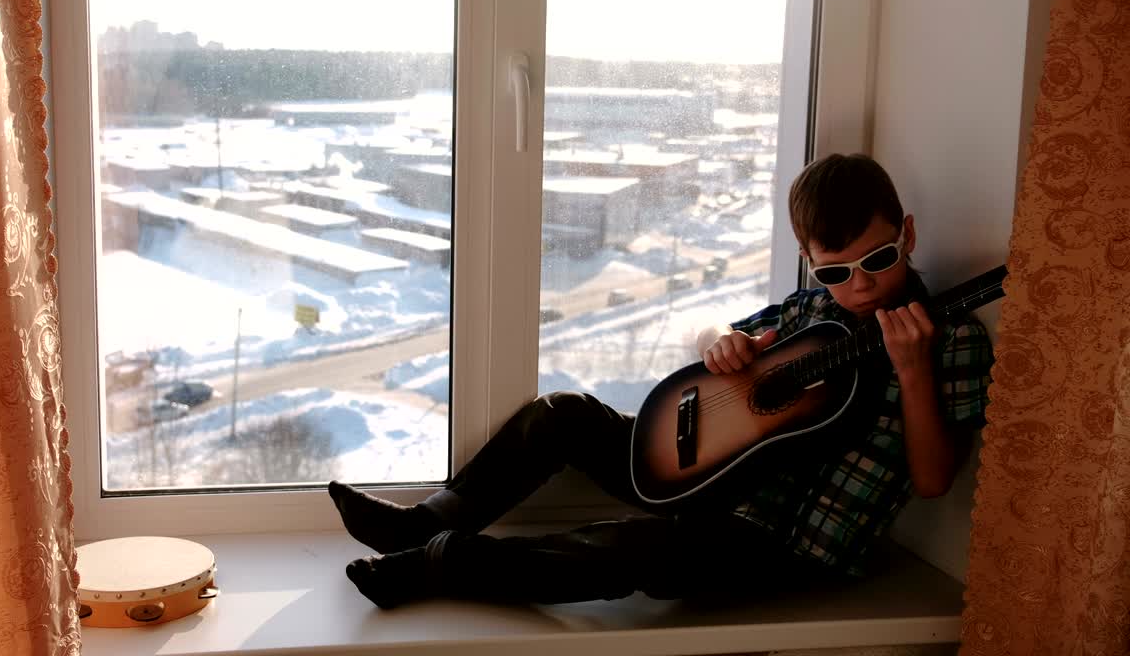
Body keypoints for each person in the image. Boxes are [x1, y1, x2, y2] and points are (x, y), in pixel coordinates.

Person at [327, 153, 995, 609]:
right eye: (834, 271)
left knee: (628, 548)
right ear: (808, 262)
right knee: (562, 412)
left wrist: (910, 373)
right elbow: (708, 335)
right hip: (711, 480)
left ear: (907, 234)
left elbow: (935, 480)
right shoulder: (807, 312)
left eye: (877, 259)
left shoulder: (953, 338)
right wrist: (720, 343)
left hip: (787, 544)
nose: (861, 284)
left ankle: (441, 566)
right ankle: (418, 525)